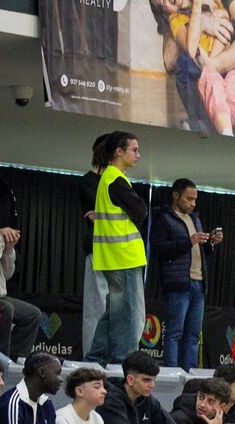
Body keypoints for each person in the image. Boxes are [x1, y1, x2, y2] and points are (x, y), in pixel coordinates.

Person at [86, 131, 148, 365]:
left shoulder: (109, 178)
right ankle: (122, 361)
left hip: (113, 256)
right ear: (119, 152)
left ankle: (95, 356)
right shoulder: (115, 179)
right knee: (128, 314)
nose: (138, 155)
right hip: (124, 256)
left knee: (116, 310)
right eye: (134, 150)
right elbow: (141, 210)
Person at [151, 178, 222, 371]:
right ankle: (172, 371)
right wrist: (189, 241)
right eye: (188, 199)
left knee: (193, 333)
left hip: (199, 283)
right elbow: (159, 249)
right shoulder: (164, 219)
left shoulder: (195, 219)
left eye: (195, 199)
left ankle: (190, 372)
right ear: (175, 196)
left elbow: (199, 251)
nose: (193, 203)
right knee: (175, 332)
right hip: (178, 283)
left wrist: (210, 243)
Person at [0, 186, 39, 359]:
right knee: (5, 308)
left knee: (33, 315)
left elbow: (7, 274)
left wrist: (9, 250)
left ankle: (12, 360)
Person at [79, 135, 110, 359]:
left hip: (119, 253)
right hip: (98, 248)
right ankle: (91, 359)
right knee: (96, 307)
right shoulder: (88, 181)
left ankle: (112, 358)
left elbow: (137, 212)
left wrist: (106, 215)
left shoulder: (119, 182)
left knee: (117, 310)